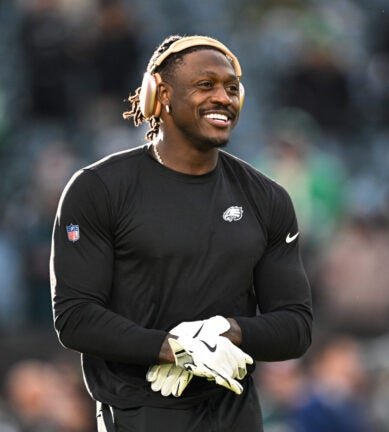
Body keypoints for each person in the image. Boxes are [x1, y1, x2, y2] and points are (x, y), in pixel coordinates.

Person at [49, 34, 313, 431]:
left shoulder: (267, 198)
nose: (223, 98)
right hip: (138, 414)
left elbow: (296, 326)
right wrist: (173, 349)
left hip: (234, 412)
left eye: (232, 88)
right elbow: (74, 317)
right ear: (161, 94)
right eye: (206, 85)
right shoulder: (99, 189)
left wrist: (227, 330)